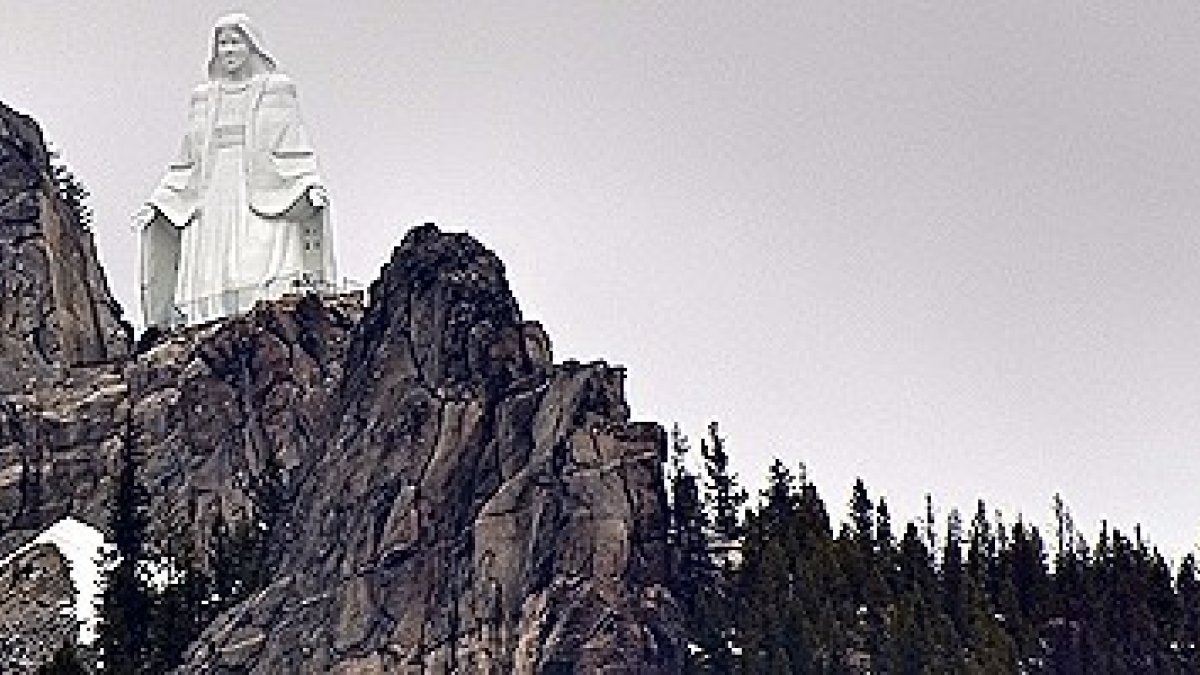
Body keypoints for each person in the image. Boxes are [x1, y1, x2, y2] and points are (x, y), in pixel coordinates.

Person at [136, 13, 334, 327]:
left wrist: (309, 181)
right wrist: (160, 199)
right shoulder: (203, 96)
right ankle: (207, 313)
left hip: (261, 184)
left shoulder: (277, 88)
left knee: (257, 248)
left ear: (251, 46)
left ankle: (265, 306)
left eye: (235, 42)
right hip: (212, 187)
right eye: (223, 44)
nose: (228, 50)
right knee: (211, 258)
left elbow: (293, 141)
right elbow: (187, 158)